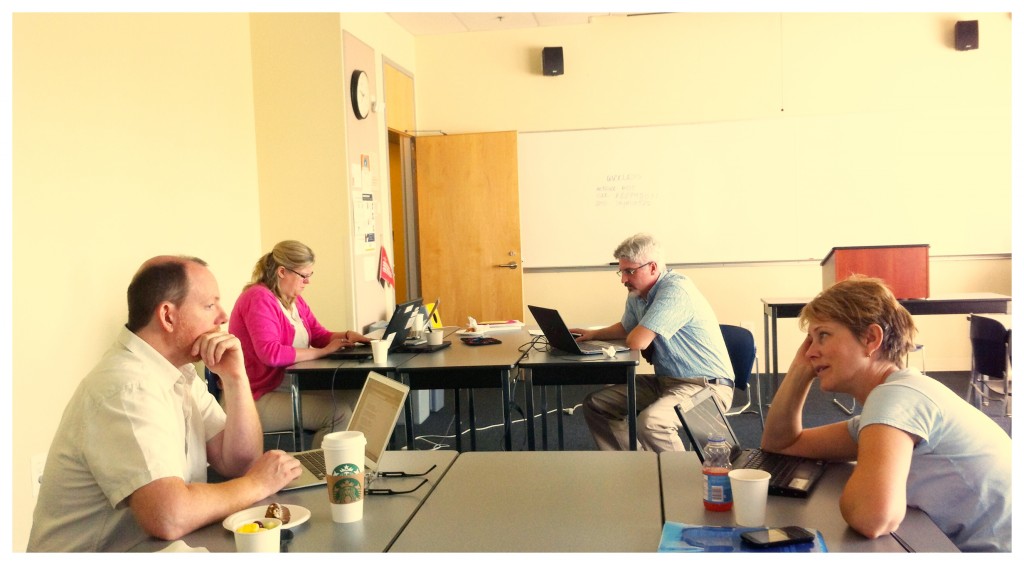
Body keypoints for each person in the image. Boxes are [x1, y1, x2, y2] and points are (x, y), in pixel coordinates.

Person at [28, 256, 302, 552]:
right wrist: (258, 484)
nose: (223, 315)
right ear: (168, 316)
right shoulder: (127, 386)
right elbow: (169, 516)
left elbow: (239, 461)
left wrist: (236, 378)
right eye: (210, 305)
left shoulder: (178, 372)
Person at [761, 276, 1011, 552]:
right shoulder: (900, 396)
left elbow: (872, 517)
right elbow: (781, 444)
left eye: (823, 335)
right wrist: (800, 369)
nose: (810, 351)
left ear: (871, 339)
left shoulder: (896, 398)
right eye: (810, 341)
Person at [576, 233, 734, 452]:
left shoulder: (676, 291)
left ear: (652, 268)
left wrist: (636, 337)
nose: (623, 279)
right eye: (621, 271)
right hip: (667, 381)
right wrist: (591, 334)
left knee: (652, 424)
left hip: (705, 386)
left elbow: (636, 341)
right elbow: (626, 328)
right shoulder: (637, 293)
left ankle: (680, 481)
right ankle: (638, 467)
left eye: (630, 271)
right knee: (597, 405)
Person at [229, 240, 370, 448]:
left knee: (359, 396)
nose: (308, 282)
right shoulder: (258, 298)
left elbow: (318, 334)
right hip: (254, 396)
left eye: (310, 276)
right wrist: (322, 352)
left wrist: (347, 335)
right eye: (304, 276)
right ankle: (323, 474)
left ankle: (351, 466)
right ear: (282, 272)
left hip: (286, 385)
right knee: (338, 414)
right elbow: (271, 353)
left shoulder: (293, 299)